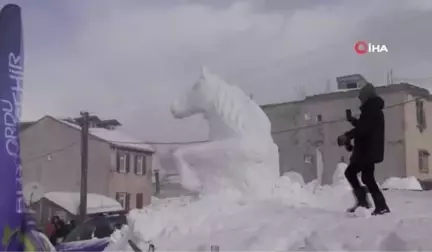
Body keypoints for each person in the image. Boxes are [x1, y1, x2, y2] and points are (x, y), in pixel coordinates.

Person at [337, 83, 390, 216]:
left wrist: (347, 136)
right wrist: (351, 120)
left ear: (367, 96)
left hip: (367, 150)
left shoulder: (371, 109)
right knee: (367, 177)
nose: (360, 99)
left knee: (351, 173)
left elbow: (363, 129)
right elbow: (364, 125)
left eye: (361, 96)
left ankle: (368, 203)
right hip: (368, 150)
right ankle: (377, 205)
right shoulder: (372, 108)